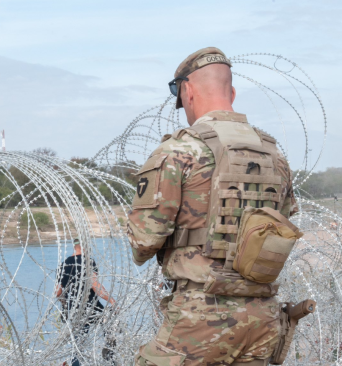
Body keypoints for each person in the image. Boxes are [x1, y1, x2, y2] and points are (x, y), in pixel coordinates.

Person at [127, 47, 298, 366]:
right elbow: (280, 228)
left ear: (187, 91)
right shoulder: (275, 156)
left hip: (202, 317)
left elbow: (143, 243)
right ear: (231, 92)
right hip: (263, 317)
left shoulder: (178, 151)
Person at [55, 238, 116, 366]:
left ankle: (72, 362)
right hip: (91, 307)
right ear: (85, 247)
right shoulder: (88, 262)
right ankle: (110, 359)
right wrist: (111, 300)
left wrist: (66, 305)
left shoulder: (63, 264)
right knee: (109, 325)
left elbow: (58, 292)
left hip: (73, 309)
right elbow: (95, 285)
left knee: (78, 343)